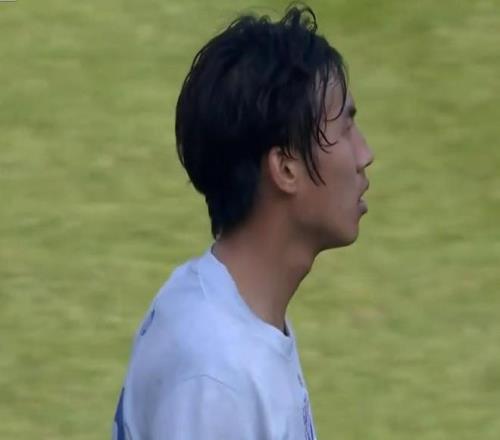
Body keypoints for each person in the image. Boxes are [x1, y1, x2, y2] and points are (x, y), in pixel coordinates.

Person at [112, 4, 373, 439]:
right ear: (285, 168)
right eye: (345, 129)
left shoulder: (225, 313)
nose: (365, 154)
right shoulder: (218, 376)